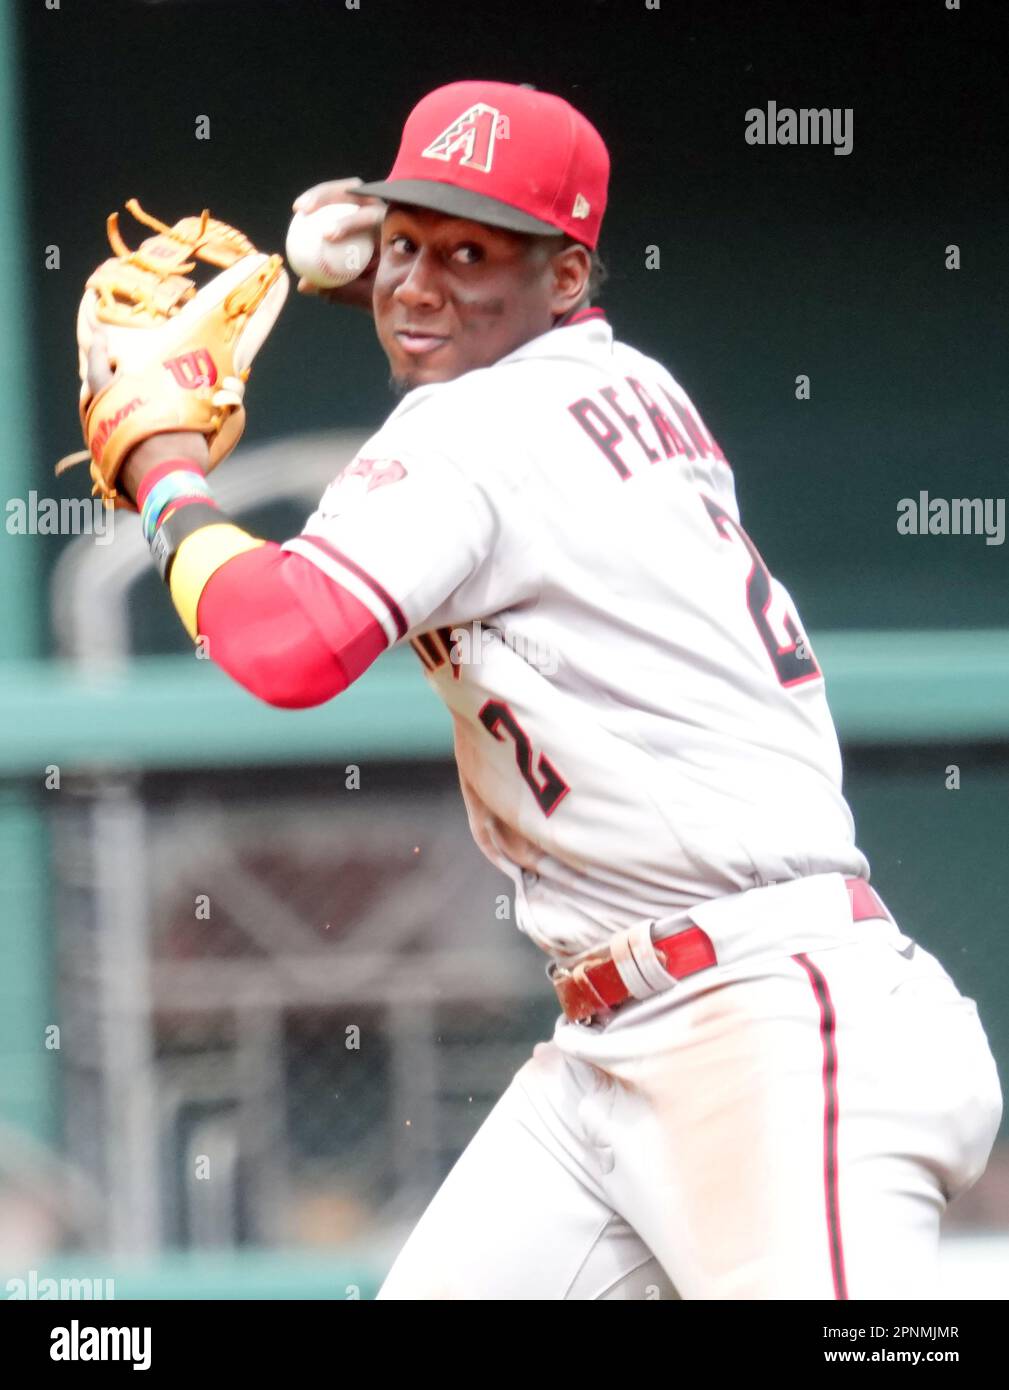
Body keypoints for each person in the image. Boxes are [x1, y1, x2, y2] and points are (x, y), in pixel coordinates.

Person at [112, 80, 1002, 1299]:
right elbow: (479, 375)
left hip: (770, 1035)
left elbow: (284, 647)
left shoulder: (471, 432)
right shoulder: (633, 384)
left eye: (472, 252)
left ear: (569, 278)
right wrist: (407, 278)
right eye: (405, 243)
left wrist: (166, 478)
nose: (418, 283)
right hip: (612, 1047)